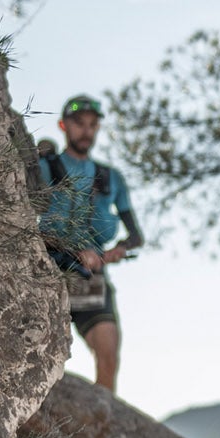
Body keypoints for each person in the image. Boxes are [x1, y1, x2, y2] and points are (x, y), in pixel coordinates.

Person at [37, 94, 143, 392]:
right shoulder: (48, 167)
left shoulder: (110, 178)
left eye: (92, 125)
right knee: (38, 353)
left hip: (90, 275)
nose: (86, 130)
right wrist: (37, 154)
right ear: (64, 125)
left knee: (108, 350)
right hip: (46, 271)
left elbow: (136, 236)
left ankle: (101, 423)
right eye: (79, 124)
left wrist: (114, 252)